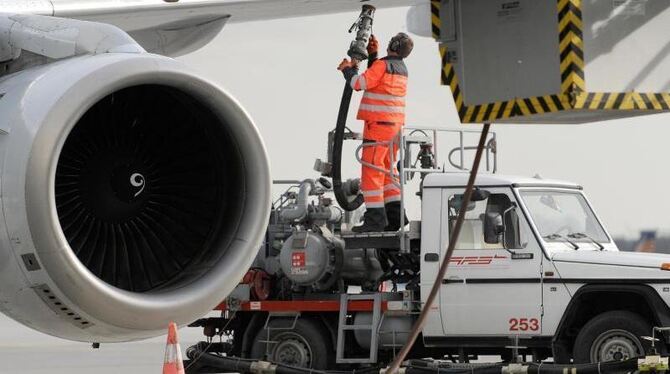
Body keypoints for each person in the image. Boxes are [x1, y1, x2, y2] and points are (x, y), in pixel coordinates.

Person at [338, 33, 414, 232]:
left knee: (372, 171)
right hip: (395, 129)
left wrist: (347, 69)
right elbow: (376, 81)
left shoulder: (382, 66)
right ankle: (396, 217)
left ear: (393, 45)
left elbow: (359, 84)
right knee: (389, 172)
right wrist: (373, 55)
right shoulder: (401, 69)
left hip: (378, 128)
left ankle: (375, 220)